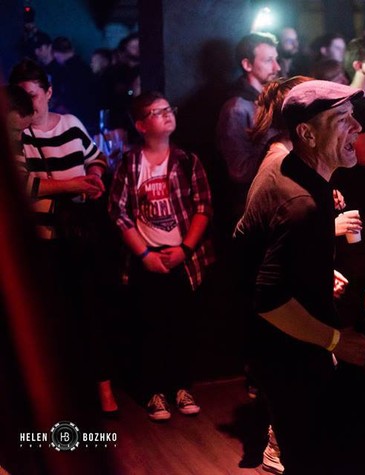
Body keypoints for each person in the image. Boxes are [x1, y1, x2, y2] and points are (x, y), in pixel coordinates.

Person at [234, 80, 365, 475]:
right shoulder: (301, 204)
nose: (357, 127)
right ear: (307, 134)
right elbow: (268, 299)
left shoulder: (288, 169)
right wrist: (335, 341)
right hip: (293, 361)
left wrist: (313, 270)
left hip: (285, 355)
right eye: (342, 119)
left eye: (353, 117)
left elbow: (256, 245)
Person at [9, 59, 116, 414]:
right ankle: (60, 395)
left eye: (32, 94)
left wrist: (94, 177)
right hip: (41, 239)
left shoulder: (70, 123)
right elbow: (25, 186)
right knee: (52, 317)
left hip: (79, 232)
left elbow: (96, 158)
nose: (27, 102)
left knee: (91, 310)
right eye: (20, 95)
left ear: (49, 92)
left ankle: (103, 389)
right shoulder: (16, 132)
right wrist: (74, 184)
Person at [108, 91, 214, 421]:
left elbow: (203, 207)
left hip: (182, 257)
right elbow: (118, 212)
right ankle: (153, 390)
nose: (167, 115)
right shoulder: (130, 163)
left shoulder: (186, 160)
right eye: (157, 112)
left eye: (169, 109)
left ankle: (181, 386)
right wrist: (144, 254)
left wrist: (185, 249)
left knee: (182, 324)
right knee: (149, 325)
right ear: (141, 125)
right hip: (147, 257)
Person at [216, 32, 280, 220]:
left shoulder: (271, 100)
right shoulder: (236, 108)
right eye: (268, 60)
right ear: (247, 65)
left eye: (276, 59)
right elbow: (239, 171)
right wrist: (279, 154)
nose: (277, 67)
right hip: (255, 207)